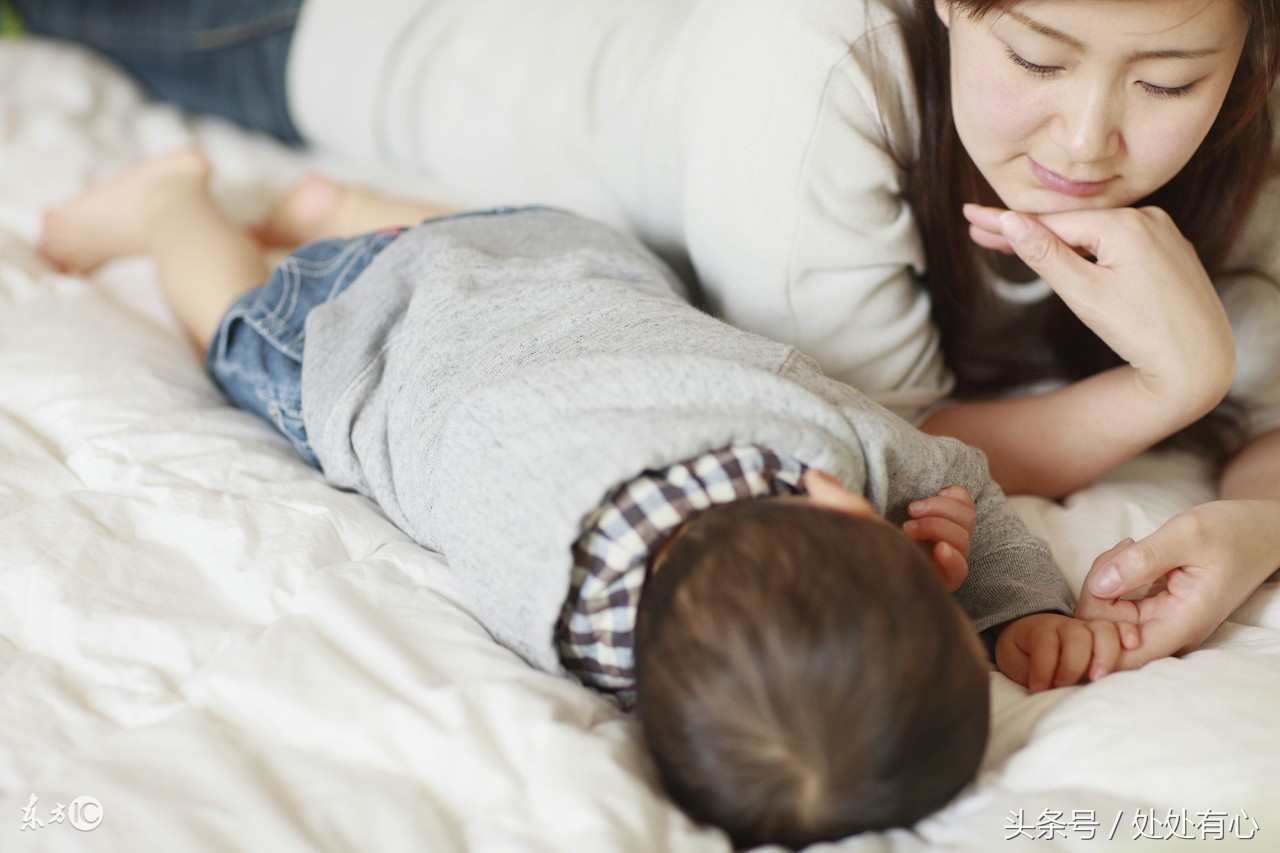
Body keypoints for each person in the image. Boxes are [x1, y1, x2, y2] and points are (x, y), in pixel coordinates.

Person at [14, 0, 1280, 675]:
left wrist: (1260, 519)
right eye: (1038, 56)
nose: (1083, 141)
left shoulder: (1250, 129)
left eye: (1166, 81)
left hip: (520, 225)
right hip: (346, 33)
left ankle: (334, 214)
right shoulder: (811, 66)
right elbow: (888, 437)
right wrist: (1172, 381)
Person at [39, 148, 1141, 848]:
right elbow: (739, 655)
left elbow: (943, 478)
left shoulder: (823, 441)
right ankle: (174, 202)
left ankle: (350, 204)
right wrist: (1008, 596)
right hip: (364, 325)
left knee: (512, 267)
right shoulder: (570, 615)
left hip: (548, 250)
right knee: (235, 325)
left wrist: (964, 578)